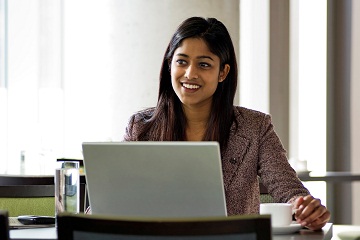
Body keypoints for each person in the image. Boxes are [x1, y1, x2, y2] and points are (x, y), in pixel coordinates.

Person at [123, 16, 330, 230]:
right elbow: (116, 198)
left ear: (223, 72)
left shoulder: (255, 127)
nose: (190, 73)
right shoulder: (140, 128)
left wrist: (304, 208)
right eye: (181, 61)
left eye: (204, 64)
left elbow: (288, 189)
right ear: (169, 65)